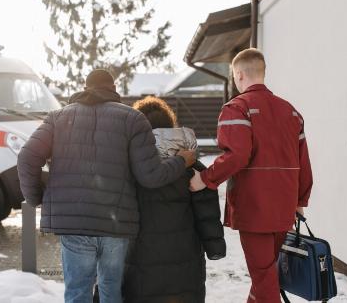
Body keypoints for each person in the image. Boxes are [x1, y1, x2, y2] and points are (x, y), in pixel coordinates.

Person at [17, 69, 197, 303]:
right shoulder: (133, 119)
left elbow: (27, 158)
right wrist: (182, 160)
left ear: (85, 87)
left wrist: (36, 198)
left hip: (74, 223)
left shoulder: (57, 118)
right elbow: (150, 176)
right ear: (113, 88)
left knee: (77, 291)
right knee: (111, 290)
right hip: (115, 223)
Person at [189, 48, 313, 303]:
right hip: (284, 208)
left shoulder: (237, 108)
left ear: (239, 74)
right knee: (266, 275)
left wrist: (205, 179)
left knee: (264, 277)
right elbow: (304, 162)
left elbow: (237, 155)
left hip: (254, 208)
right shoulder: (291, 112)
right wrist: (300, 201)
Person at [123, 96, 226, 303]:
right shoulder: (193, 166)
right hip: (185, 263)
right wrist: (215, 247)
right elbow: (207, 212)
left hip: (142, 262)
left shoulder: (130, 166)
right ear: (171, 125)